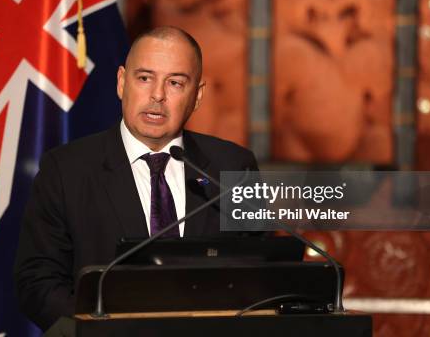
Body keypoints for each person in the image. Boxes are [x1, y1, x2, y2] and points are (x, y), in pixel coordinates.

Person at [14, 26, 258, 331]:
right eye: (144, 78)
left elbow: (257, 276)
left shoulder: (233, 167)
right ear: (121, 83)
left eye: (175, 83)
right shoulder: (66, 170)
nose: (157, 95)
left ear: (197, 96)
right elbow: (37, 282)